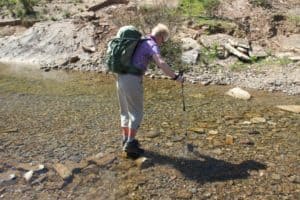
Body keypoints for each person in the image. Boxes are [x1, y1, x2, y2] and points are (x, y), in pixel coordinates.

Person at [116, 23, 184, 157]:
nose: (162, 44)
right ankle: (130, 144)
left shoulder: (140, 40)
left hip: (120, 77)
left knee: (125, 111)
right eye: (163, 41)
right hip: (132, 79)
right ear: (160, 37)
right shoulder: (152, 45)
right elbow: (161, 63)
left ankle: (125, 139)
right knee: (136, 113)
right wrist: (176, 77)